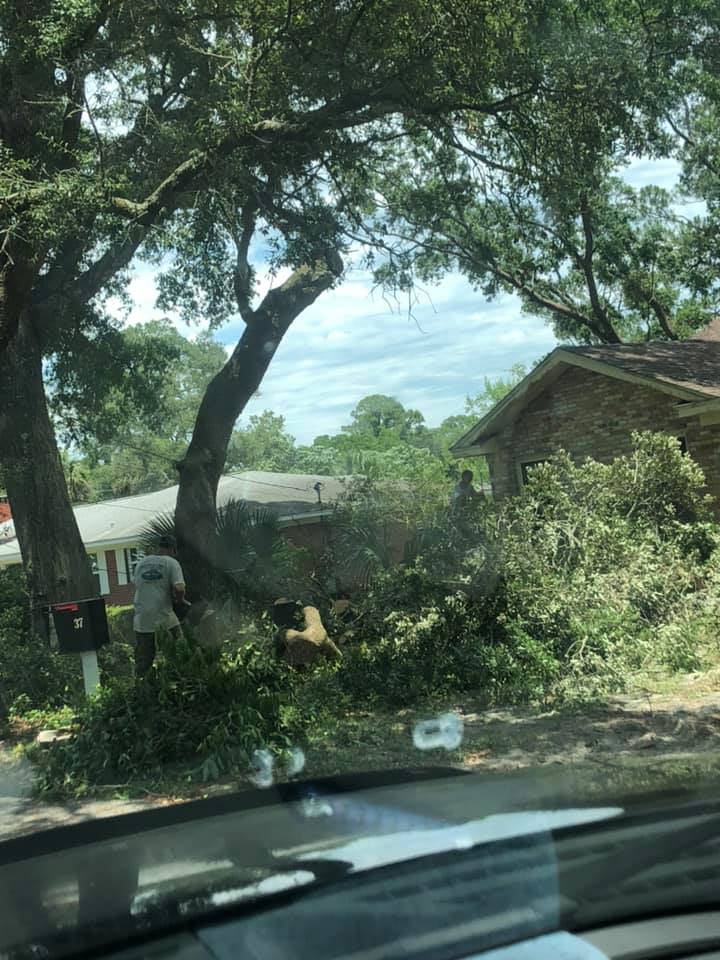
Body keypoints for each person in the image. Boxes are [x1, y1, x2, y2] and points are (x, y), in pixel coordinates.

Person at [132, 535, 187, 677]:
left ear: (158, 548)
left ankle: (141, 684)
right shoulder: (172, 562)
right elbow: (179, 588)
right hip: (164, 617)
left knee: (143, 662)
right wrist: (179, 601)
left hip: (141, 620)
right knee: (180, 652)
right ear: (173, 550)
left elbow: (141, 586)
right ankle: (180, 680)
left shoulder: (141, 563)